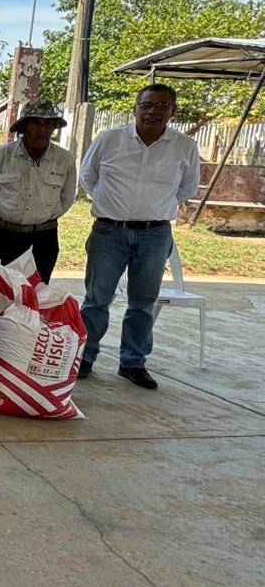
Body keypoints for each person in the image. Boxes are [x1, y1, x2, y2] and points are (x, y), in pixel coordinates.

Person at [78, 83, 201, 390]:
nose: (152, 111)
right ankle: (85, 356)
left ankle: (133, 362)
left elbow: (187, 187)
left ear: (173, 111)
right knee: (96, 299)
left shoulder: (184, 146)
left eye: (161, 106)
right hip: (109, 231)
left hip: (155, 234)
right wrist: (113, 206)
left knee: (142, 303)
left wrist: (155, 209)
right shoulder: (110, 140)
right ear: (135, 108)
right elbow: (88, 177)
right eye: (146, 105)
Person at [0, 97, 76, 283]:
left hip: (44, 239)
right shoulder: (1, 155)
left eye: (48, 124)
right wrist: (6, 215)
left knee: (36, 296)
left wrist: (40, 218)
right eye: (36, 123)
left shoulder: (65, 159)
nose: (42, 129)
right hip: (2, 236)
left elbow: (67, 197)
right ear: (23, 127)